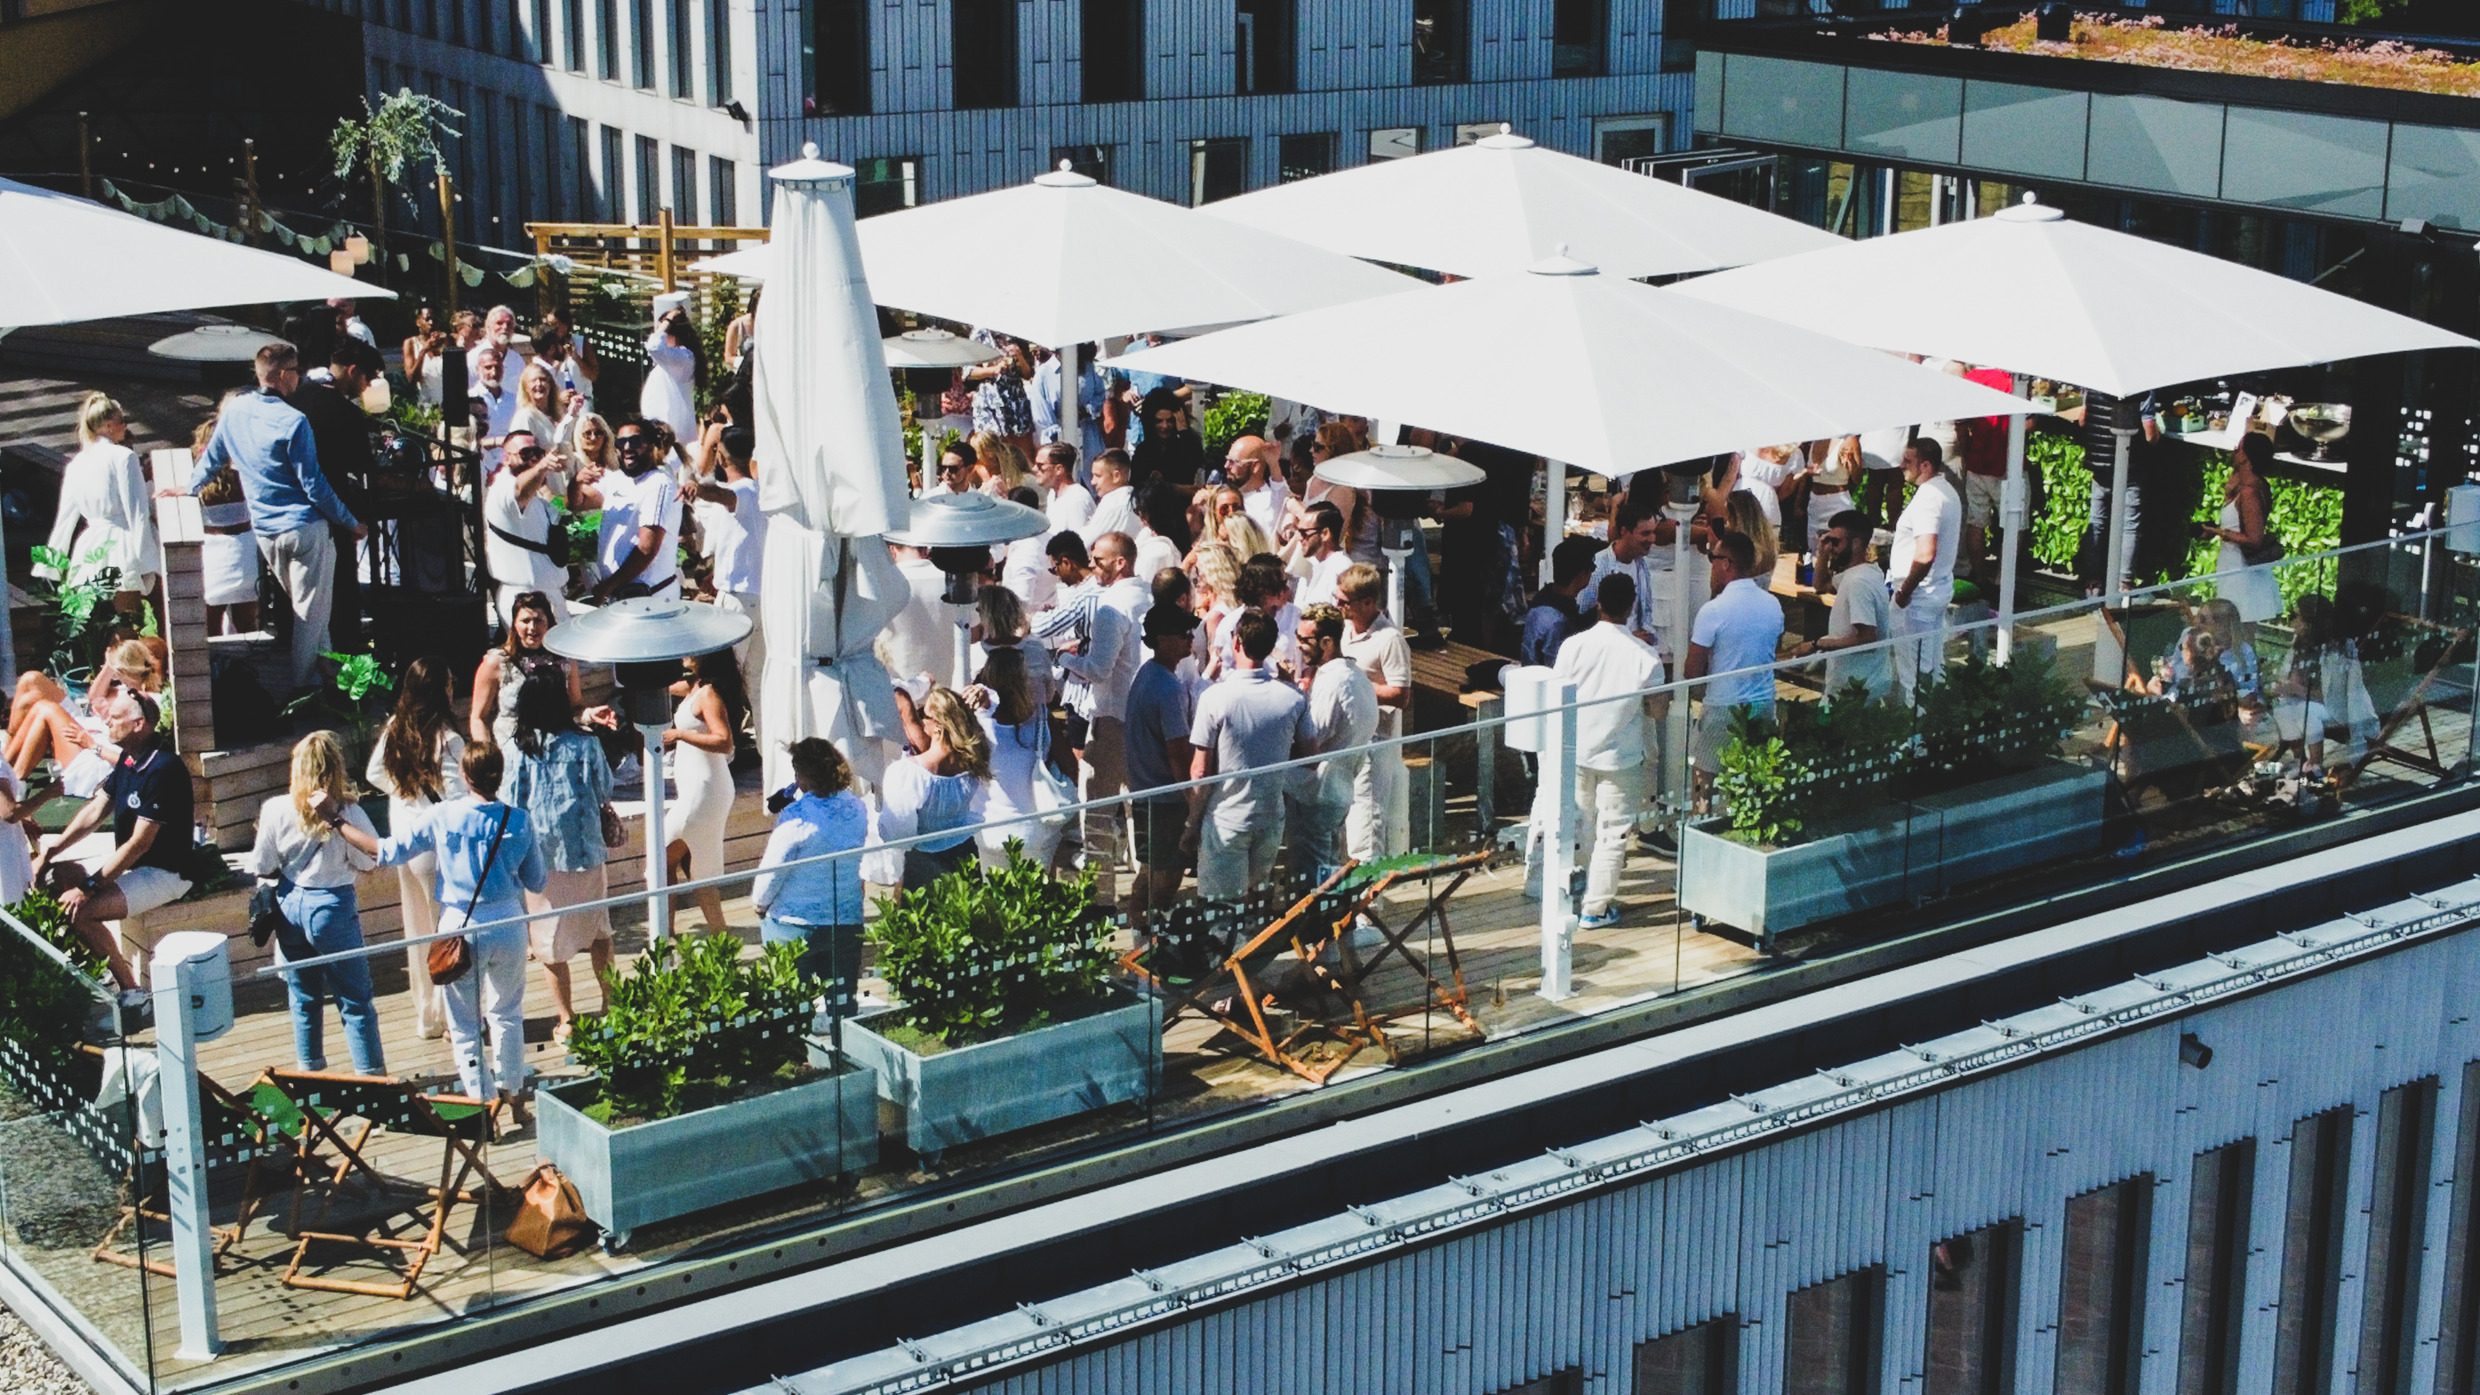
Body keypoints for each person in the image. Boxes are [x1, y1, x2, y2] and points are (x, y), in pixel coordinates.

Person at [323, 743, 546, 1110]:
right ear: (499, 774)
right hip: (508, 921)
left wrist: (336, 820)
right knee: (507, 1013)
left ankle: (482, 1103)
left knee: (464, 1026)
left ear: (464, 775)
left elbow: (385, 852)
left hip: (459, 923)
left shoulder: (443, 816)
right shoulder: (519, 820)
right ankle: (513, 1096)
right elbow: (536, 881)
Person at [181, 341, 366, 696]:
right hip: (304, 530)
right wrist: (349, 521)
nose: (299, 377)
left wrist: (189, 488)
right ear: (282, 375)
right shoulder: (294, 421)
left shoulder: (234, 411)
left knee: (309, 609)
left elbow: (212, 457)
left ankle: (327, 676)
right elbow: (315, 487)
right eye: (296, 370)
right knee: (309, 617)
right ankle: (303, 692)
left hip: (265, 532)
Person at [30, 691, 190, 999]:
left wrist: (88, 887)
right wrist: (49, 853)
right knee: (59, 875)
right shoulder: (130, 760)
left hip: (165, 872)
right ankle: (102, 962)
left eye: (115, 718)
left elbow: (139, 844)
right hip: (136, 864)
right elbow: (94, 810)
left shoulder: (162, 769)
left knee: (81, 911)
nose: (106, 723)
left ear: (138, 724)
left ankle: (131, 992)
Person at [252, 732, 384, 1075]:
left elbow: (263, 865)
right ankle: (372, 1080)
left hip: (289, 906)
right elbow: (371, 859)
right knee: (355, 1002)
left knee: (304, 998)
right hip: (332, 906)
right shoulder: (347, 811)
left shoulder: (275, 809)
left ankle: (310, 1077)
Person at [504, 670, 615, 1045]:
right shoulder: (584, 745)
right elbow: (605, 788)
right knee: (600, 933)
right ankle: (610, 1006)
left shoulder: (516, 748)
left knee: (549, 943)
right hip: (585, 852)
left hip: (539, 860)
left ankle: (566, 1018)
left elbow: (510, 803)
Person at [1552, 572, 1666, 929]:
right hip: (1622, 755)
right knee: (1613, 832)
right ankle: (1595, 907)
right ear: (1632, 606)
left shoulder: (1573, 645)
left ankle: (1578, 893)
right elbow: (1657, 710)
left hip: (1576, 748)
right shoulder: (1646, 657)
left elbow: (1558, 693)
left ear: (1598, 602)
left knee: (1582, 826)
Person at [1185, 610, 1315, 904]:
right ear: (1270, 648)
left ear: (1237, 643)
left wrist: (1192, 824)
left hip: (1226, 819)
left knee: (1221, 910)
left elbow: (1200, 772)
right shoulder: (1293, 699)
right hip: (1270, 817)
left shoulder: (1215, 697)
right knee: (1256, 901)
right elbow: (1312, 757)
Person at [365, 656, 463, 1040]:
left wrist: (403, 793)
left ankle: (428, 1017)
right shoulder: (447, 739)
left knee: (419, 933)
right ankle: (453, 1017)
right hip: (437, 849)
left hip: (402, 843)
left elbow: (374, 773)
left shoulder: (395, 729)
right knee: (450, 933)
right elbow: (456, 797)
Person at [753, 738, 869, 1016]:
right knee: (843, 1005)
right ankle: (846, 1053)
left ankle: (796, 1054)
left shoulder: (797, 815)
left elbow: (774, 870)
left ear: (803, 775)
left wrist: (759, 903)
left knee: (790, 1006)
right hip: (845, 918)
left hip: (795, 924)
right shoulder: (858, 807)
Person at [1063, 532, 1147, 902]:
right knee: (1142, 809)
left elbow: (1098, 669)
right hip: (1146, 716)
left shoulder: (1112, 605)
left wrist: (1065, 658)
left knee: (1096, 812)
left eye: (1097, 560)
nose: (1091, 566)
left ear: (1120, 563)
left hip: (1114, 716)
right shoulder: (1148, 594)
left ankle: (1100, 898)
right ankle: (1147, 890)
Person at [1685, 532, 1786, 801]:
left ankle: (1700, 829)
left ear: (1726, 563)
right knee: (1753, 774)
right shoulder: (1773, 604)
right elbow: (1772, 651)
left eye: (1713, 558)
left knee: (1704, 774)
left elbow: (1691, 670)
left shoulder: (1714, 610)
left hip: (1723, 704)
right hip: (1764, 701)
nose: (1711, 564)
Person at [43, 391, 159, 614]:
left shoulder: (76, 464)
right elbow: (137, 514)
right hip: (121, 546)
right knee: (126, 625)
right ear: (108, 425)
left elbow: (64, 522)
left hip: (89, 550)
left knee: (98, 632)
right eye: (122, 420)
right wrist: (148, 562)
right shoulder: (124, 457)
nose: (125, 426)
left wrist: (50, 569)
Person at [1291, 603, 1377, 879]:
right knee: (1328, 866)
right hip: (1338, 789)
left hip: (1319, 794)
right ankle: (1336, 920)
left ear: (1327, 642)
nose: (1299, 646)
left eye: (1305, 640)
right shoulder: (1355, 675)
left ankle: (1327, 922)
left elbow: (1311, 737)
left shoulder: (1334, 681)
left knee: (1315, 876)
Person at [1123, 605, 1198, 913]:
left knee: (1154, 869)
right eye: (1184, 634)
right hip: (1165, 799)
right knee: (1166, 874)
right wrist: (1192, 799)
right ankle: (1147, 931)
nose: (1190, 639)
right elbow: (1177, 752)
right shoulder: (1167, 686)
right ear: (1163, 640)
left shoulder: (1148, 674)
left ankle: (1142, 928)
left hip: (1148, 792)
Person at [881, 686, 990, 892]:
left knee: (924, 922)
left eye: (923, 714)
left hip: (925, 861)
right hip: (965, 851)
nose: (920, 720)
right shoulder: (974, 759)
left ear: (938, 725)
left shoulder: (909, 772)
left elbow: (897, 831)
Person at [664, 650, 742, 935]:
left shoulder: (708, 694)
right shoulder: (694, 686)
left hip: (703, 792)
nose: (684, 653)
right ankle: (721, 938)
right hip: (700, 791)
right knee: (698, 870)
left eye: (692, 648)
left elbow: (724, 741)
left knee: (661, 861)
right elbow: (667, 686)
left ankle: (664, 935)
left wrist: (680, 734)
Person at [968, 645, 1065, 873]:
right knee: (1037, 903)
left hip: (990, 830)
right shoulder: (1042, 717)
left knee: (994, 904)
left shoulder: (976, 724)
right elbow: (1070, 766)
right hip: (1036, 831)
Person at [1338, 564, 1411, 861]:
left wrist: (1356, 683)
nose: (1338, 605)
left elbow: (1401, 694)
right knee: (1345, 824)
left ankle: (1369, 904)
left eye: (1345, 601)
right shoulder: (1343, 630)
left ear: (1368, 603)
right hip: (1344, 740)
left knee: (1366, 825)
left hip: (1373, 744)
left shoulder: (1390, 639)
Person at [1889, 436, 1965, 702]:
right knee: (1932, 668)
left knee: (1913, 675)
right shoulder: (1947, 491)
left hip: (1918, 598)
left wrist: (1903, 594)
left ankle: (1914, 741)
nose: (1901, 465)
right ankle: (1932, 732)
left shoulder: (1928, 498)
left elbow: (1925, 554)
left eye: (1908, 461)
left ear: (1925, 465)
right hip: (1936, 591)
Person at [472, 590, 595, 751]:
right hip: (511, 749)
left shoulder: (564, 661)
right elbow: (478, 717)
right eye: (525, 621)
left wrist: (591, 715)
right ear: (515, 624)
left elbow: (575, 709)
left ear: (548, 623)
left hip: (556, 747)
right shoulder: (497, 662)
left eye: (538, 620)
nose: (532, 627)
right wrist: (487, 755)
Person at [1793, 511, 1896, 704]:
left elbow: (1867, 638)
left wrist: (1817, 644)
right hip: (1855, 684)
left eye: (1835, 541)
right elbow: (1820, 585)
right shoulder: (1863, 572)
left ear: (1856, 543)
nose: (1831, 547)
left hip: (1857, 689)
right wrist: (1822, 553)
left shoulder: (1858, 583)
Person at [580, 419, 684, 601]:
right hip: (622, 597)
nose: (627, 447)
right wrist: (577, 482)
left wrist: (608, 585)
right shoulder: (617, 479)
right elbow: (576, 503)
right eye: (621, 442)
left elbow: (647, 548)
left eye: (635, 442)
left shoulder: (659, 483)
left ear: (651, 446)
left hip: (650, 598)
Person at [484, 431, 570, 625]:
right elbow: (520, 490)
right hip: (524, 599)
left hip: (547, 594)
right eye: (525, 453)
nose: (533, 457)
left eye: (537, 452)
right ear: (506, 458)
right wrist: (543, 466)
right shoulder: (503, 488)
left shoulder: (537, 494)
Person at [193, 401, 260, 636]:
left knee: (210, 625)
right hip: (245, 555)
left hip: (212, 558)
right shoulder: (246, 476)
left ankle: (215, 668)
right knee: (247, 624)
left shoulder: (196, 483)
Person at [2202, 432, 2282, 627]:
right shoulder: (2248, 486)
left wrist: (2219, 533)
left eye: (2237, 449)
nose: (2234, 453)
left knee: (2240, 631)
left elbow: (2254, 538)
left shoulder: (2249, 493)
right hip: (2232, 567)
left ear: (2245, 457)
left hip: (2241, 573)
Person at [1579, 498, 1670, 660]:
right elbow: (1582, 618)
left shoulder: (1642, 566)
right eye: (1645, 533)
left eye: (1653, 532)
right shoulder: (1598, 566)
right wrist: (1629, 637)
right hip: (1606, 656)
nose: (1652, 539)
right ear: (1624, 532)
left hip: (1637, 654)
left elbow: (1646, 614)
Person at [1522, 536, 1602, 669]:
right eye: (1591, 571)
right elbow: (1558, 667)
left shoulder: (1543, 599)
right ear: (1582, 575)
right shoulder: (1558, 622)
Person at [640, 304, 701, 452]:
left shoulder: (683, 357)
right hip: (662, 434)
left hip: (674, 437)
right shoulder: (673, 360)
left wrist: (668, 321)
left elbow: (654, 347)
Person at [1130, 389, 1205, 490]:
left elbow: (1195, 461)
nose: (1165, 426)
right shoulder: (1143, 451)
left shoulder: (1184, 445)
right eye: (1159, 421)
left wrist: (1183, 430)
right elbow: (1136, 483)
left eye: (1170, 420)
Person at [467, 343, 519, 477]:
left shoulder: (514, 400)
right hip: (480, 465)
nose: (494, 372)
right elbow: (464, 440)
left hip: (511, 463)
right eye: (488, 368)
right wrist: (496, 442)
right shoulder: (470, 399)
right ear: (478, 370)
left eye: (497, 367)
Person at [1296, 502, 1353, 608]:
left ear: (1325, 534)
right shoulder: (1310, 566)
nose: (1299, 538)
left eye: (1304, 532)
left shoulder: (1342, 569)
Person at [1083, 448, 1138, 546]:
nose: (1092, 482)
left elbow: (1085, 543)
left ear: (1116, 476)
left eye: (1098, 476)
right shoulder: (1136, 500)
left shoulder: (1113, 503)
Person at [1036, 441, 1092, 534]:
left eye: (1040, 465)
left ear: (1058, 469)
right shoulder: (1052, 494)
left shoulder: (1076, 499)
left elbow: (1078, 542)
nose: (1034, 469)